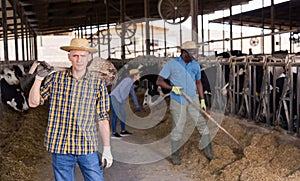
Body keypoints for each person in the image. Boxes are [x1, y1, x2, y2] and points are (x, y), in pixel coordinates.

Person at [28, 38, 113, 180]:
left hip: (87, 146)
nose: (79, 60)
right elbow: (33, 103)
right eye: (75, 56)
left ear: (89, 57)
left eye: (83, 56)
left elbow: (103, 118)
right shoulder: (55, 79)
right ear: (69, 57)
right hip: (61, 146)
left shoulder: (98, 84)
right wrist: (38, 79)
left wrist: (107, 148)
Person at [156, 41, 214, 165]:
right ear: (184, 52)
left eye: (195, 52)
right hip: (178, 100)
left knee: (202, 124)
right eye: (192, 52)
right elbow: (159, 81)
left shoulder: (196, 65)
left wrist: (202, 99)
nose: (195, 54)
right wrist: (172, 88)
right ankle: (175, 156)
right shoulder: (172, 64)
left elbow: (198, 82)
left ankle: (210, 154)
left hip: (193, 98)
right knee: (178, 128)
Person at [110, 69, 141, 138]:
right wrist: (122, 100)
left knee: (123, 114)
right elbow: (121, 89)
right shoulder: (128, 80)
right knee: (115, 115)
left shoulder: (131, 84)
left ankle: (123, 131)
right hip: (114, 97)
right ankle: (114, 133)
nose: (140, 76)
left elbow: (133, 95)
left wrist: (137, 106)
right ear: (135, 75)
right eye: (139, 75)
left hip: (119, 99)